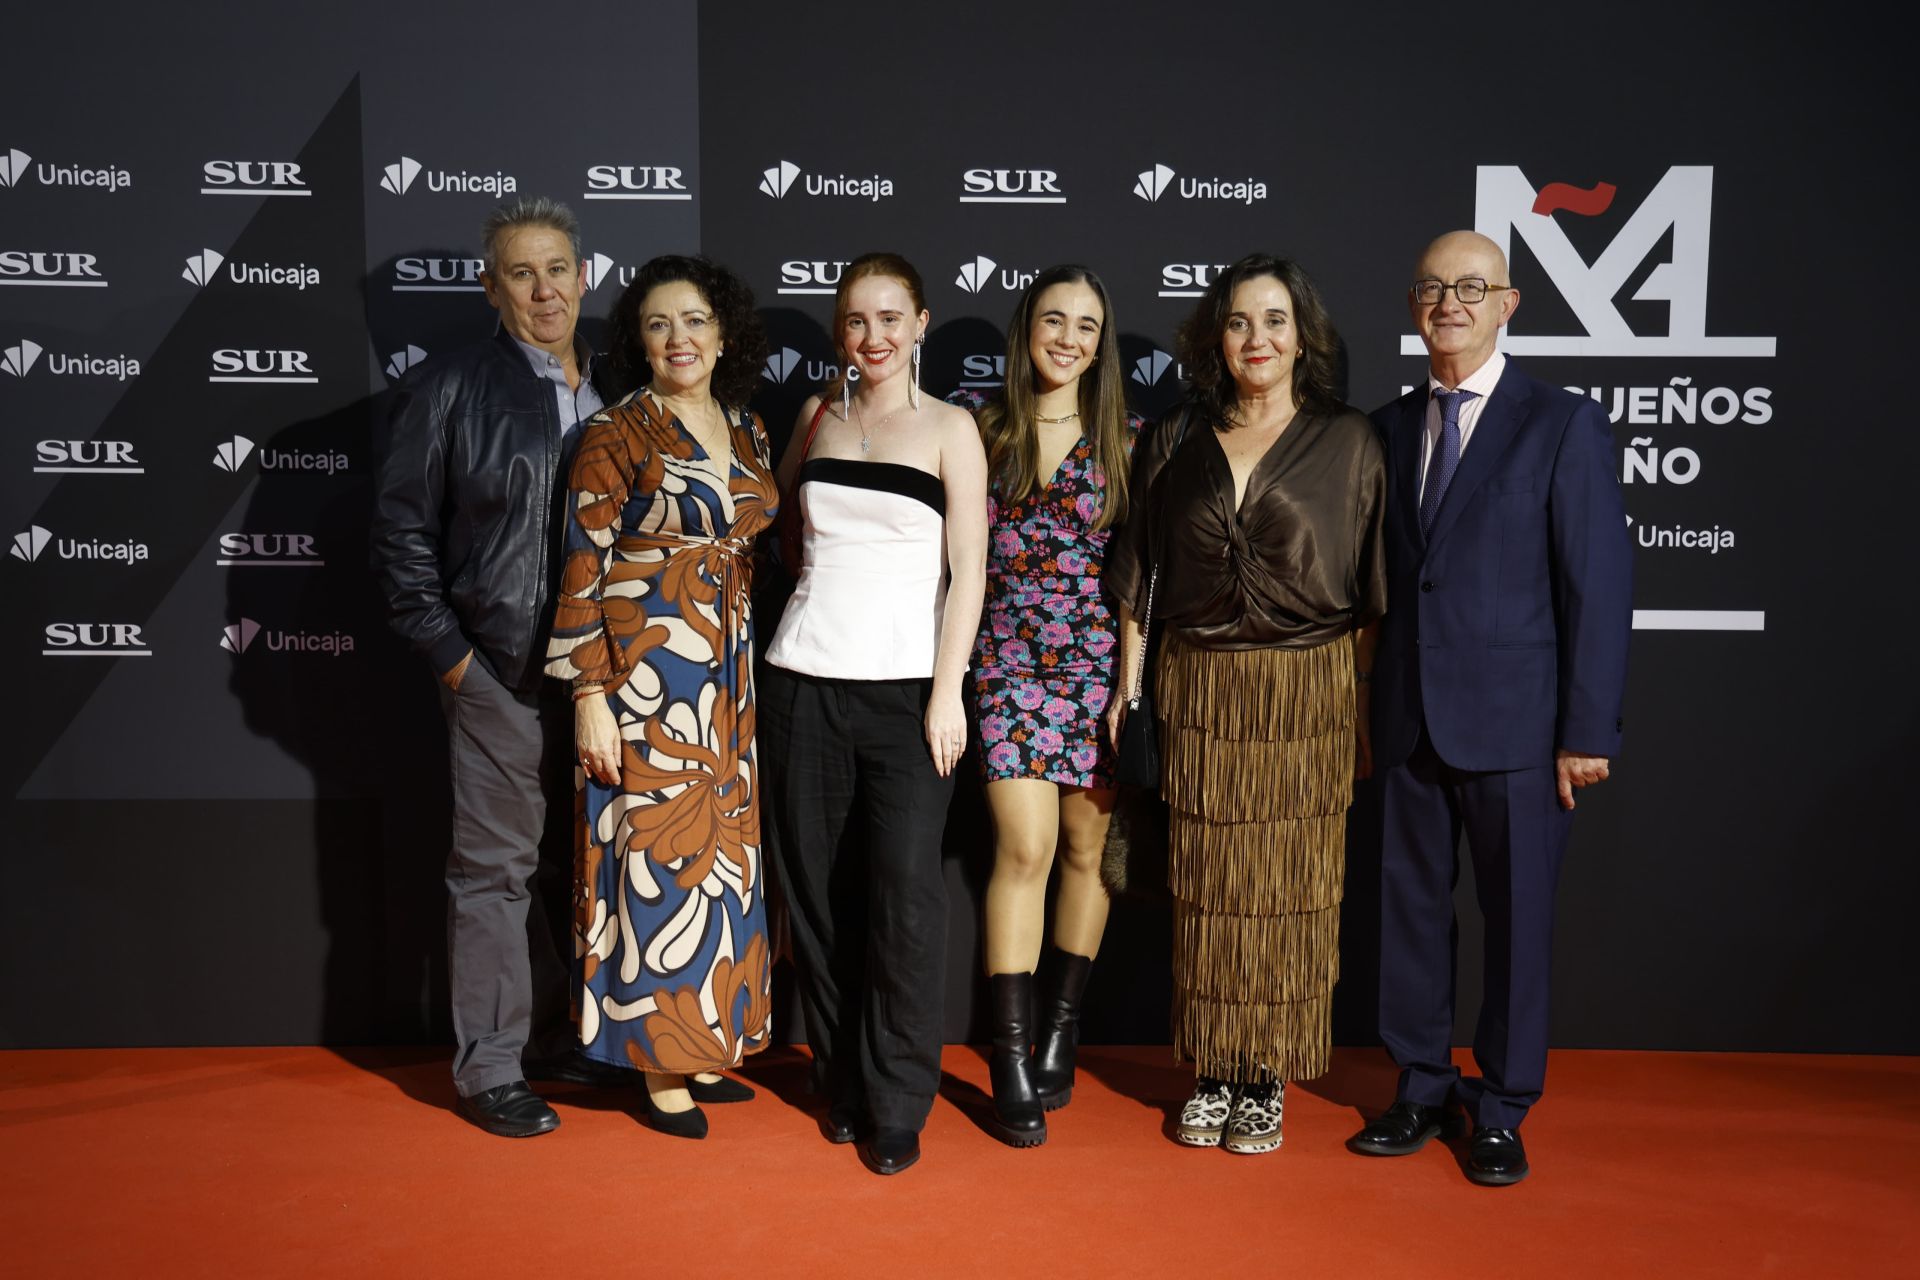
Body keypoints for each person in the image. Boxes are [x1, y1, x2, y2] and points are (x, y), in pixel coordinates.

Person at [1348, 230, 1631, 1186]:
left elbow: (1596, 586)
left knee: (1517, 924)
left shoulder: (1561, 422)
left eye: (1472, 287)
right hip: (1407, 719)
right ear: (1413, 305)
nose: (1450, 303)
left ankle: (1503, 1106)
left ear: (1508, 305)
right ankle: (1421, 1087)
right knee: (1408, 916)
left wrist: (1585, 731)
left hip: (1521, 726)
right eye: (1433, 287)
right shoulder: (1386, 428)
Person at [1106, 254, 1385, 1156]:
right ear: (1215, 339)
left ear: (1303, 336)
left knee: (1290, 889)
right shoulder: (1176, 436)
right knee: (1210, 890)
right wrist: (1129, 687)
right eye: (1237, 322)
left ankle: (1264, 1074)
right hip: (1200, 693)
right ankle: (1214, 1067)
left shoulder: (1349, 442)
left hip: (1306, 695)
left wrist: (1360, 708)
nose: (1255, 339)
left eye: (1273, 320)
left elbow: (1371, 596)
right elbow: (1139, 577)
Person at [371, 196, 620, 1137]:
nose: (544, 290)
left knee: (576, 869)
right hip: (498, 672)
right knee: (495, 873)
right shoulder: (449, 389)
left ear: (583, 278)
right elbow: (400, 536)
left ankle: (558, 1038)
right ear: (491, 288)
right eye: (522, 273)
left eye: (557, 269)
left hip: (604, 678)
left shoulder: (621, 385)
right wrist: (455, 663)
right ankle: (489, 1070)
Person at [761, 252, 989, 1176]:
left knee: (905, 901)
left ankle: (899, 1099)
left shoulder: (951, 428)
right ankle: (843, 1077)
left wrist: (948, 690)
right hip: (800, 683)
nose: (874, 336)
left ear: (921, 323)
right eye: (857, 320)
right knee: (817, 897)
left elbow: (969, 569)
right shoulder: (815, 416)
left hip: (907, 697)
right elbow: (769, 522)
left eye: (891, 318)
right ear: (840, 331)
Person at [545, 255, 777, 1140]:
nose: (679, 338)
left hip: (728, 681)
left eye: (694, 321)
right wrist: (589, 694)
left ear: (723, 335)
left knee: (721, 863)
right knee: (654, 860)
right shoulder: (614, 432)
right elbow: (582, 566)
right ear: (638, 343)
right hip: (645, 678)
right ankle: (655, 1058)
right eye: (657, 324)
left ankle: (705, 1038)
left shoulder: (750, 430)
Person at [951, 266, 1138, 1146]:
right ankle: (1010, 1057)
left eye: (1087, 326)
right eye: (1054, 320)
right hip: (1007, 664)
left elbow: (1140, 577)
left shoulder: (1129, 443)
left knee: (1087, 853)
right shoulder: (979, 427)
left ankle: (1061, 1031)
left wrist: (1130, 684)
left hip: (1097, 671)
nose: (1068, 338)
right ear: (1027, 328)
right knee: (1024, 847)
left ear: (1102, 345)